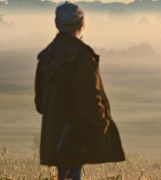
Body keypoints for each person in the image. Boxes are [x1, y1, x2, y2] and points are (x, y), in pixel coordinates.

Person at [34, 2, 125, 179]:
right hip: (79, 127)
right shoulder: (82, 56)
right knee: (73, 171)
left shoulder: (46, 55)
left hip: (55, 127)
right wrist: (101, 124)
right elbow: (91, 96)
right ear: (81, 24)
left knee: (65, 172)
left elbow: (41, 103)